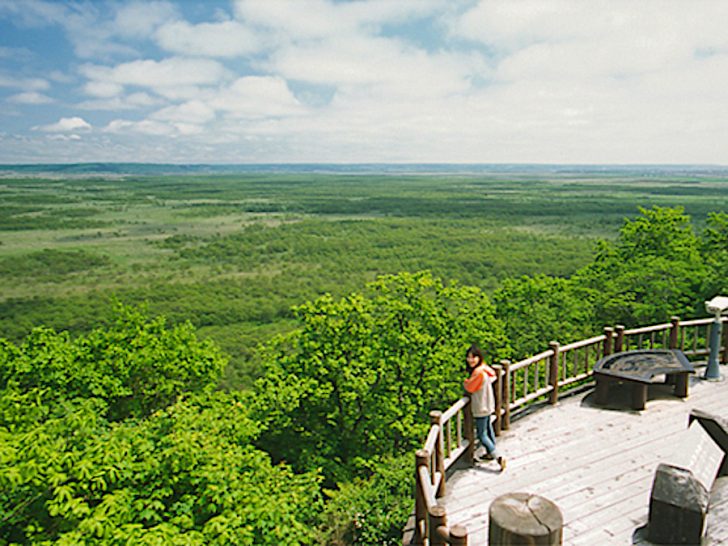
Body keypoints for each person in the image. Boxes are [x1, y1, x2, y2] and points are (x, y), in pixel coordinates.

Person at [463, 343, 506, 472]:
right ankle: (490, 452)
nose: (470, 360)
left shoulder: (478, 373)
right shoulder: (485, 369)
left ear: (478, 357)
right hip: (488, 404)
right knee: (488, 428)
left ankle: (498, 456)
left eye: (473, 357)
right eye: (468, 357)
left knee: (482, 435)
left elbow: (469, 387)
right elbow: (494, 374)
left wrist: (465, 382)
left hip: (480, 406)